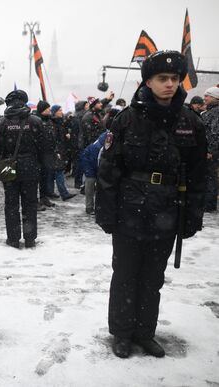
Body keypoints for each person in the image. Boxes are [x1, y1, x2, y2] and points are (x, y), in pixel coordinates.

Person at [95, 51, 207, 359]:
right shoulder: (126, 119)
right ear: (148, 81)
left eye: (174, 78)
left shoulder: (190, 122)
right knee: (126, 273)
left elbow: (199, 174)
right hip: (129, 208)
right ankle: (121, 333)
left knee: (152, 276)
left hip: (167, 209)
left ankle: (145, 332)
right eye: (162, 79)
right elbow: (109, 170)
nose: (170, 84)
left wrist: (192, 215)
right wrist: (106, 211)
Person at [0, 90, 48, 248]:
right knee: (30, 203)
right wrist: (41, 166)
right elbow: (43, 148)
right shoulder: (36, 121)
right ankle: (30, 238)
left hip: (8, 166)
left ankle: (13, 238)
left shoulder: (0, 123)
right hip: (30, 166)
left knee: (11, 204)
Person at [80, 131, 106, 215]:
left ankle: (94, 207)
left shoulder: (105, 138)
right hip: (90, 164)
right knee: (90, 184)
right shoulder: (100, 146)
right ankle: (90, 207)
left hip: (92, 162)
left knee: (92, 186)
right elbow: (95, 160)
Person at [202, 86, 219, 212]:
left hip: (211, 152)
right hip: (207, 150)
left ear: (215, 97)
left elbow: (215, 133)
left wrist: (210, 151)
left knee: (209, 176)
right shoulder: (210, 112)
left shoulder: (216, 112)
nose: (205, 98)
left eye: (207, 95)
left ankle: (209, 204)